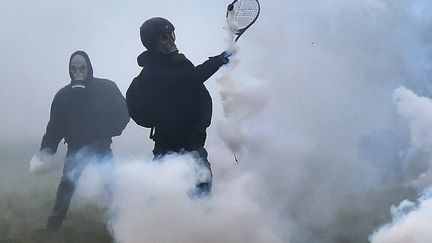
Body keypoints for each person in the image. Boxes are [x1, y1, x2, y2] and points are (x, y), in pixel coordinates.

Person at [126, 17, 231, 197]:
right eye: (164, 38)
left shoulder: (177, 63)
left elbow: (192, 86)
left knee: (200, 187)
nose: (171, 41)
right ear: (154, 45)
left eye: (171, 34)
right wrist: (219, 60)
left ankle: (199, 223)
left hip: (191, 140)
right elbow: (189, 80)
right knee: (166, 194)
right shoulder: (153, 72)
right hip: (169, 145)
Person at [33, 51, 130, 233]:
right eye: (74, 68)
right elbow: (55, 127)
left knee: (110, 185)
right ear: (69, 70)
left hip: (101, 147)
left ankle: (119, 224)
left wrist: (109, 131)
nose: (78, 72)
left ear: (89, 68)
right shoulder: (63, 96)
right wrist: (46, 150)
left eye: (82, 68)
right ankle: (52, 227)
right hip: (76, 149)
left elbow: (123, 112)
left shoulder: (106, 88)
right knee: (67, 185)